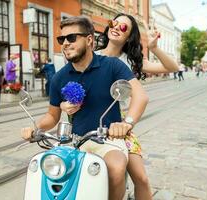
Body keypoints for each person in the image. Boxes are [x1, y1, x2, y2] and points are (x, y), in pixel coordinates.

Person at [21, 16, 149, 200]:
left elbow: (140, 95)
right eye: (61, 39)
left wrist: (126, 123)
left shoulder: (112, 66)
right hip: (74, 141)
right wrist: (34, 128)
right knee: (47, 171)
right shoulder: (59, 77)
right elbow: (52, 115)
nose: (65, 43)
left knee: (116, 167)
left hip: (108, 138)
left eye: (71, 38)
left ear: (89, 40)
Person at [62, 13, 178, 200]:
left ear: (129, 36)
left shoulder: (131, 62)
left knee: (141, 178)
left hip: (120, 127)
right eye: (113, 23)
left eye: (123, 27)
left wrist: (154, 48)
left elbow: (172, 67)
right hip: (88, 127)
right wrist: (63, 104)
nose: (116, 27)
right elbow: (67, 86)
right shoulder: (90, 55)